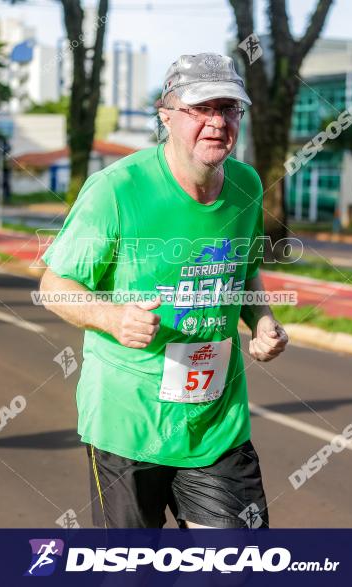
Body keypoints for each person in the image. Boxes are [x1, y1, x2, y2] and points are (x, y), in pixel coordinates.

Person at [39, 54, 288, 529]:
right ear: (166, 114)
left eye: (229, 108)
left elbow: (245, 270)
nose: (216, 122)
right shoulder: (116, 190)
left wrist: (261, 322)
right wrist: (113, 318)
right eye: (200, 108)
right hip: (128, 423)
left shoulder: (246, 185)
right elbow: (54, 285)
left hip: (216, 423)